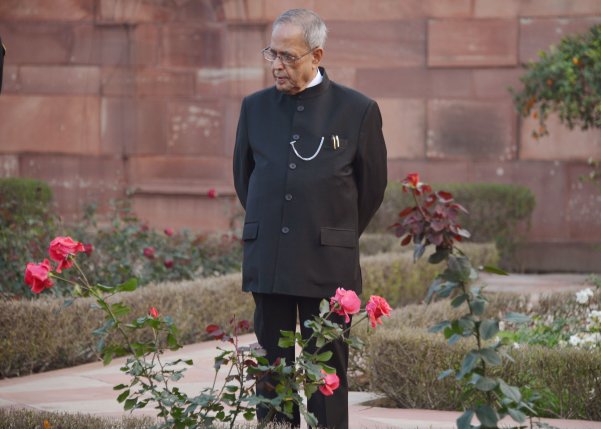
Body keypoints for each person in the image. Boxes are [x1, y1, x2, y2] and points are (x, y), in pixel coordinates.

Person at [232, 8, 387, 429]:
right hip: (271, 262)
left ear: (316, 55)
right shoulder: (254, 108)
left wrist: (332, 231)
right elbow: (246, 182)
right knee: (271, 375)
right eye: (272, 54)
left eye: (288, 56)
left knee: (327, 378)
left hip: (327, 267)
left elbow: (372, 190)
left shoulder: (358, 111)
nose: (277, 66)